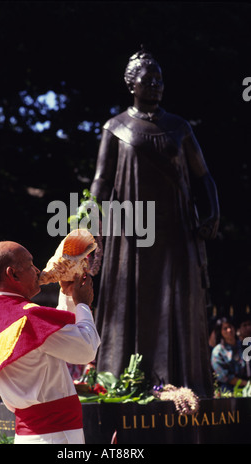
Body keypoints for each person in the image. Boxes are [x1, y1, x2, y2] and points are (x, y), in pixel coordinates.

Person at [90, 47, 220, 397]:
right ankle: (127, 382)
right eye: (148, 80)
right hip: (131, 232)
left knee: (177, 298)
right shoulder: (115, 127)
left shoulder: (179, 127)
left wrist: (213, 211)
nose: (156, 86)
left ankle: (183, 380)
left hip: (177, 230)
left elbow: (203, 176)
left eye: (160, 80)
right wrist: (90, 222)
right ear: (130, 84)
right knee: (129, 299)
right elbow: (101, 181)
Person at [0, 241, 100, 444]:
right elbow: (86, 350)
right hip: (58, 435)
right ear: (13, 274)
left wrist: (68, 296)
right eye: (30, 264)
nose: (37, 270)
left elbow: (52, 340)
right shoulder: (29, 317)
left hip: (29, 435)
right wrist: (83, 304)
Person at [211, 317, 247, 392]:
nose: (229, 330)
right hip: (229, 392)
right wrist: (246, 383)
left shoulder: (245, 346)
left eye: (230, 327)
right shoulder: (218, 352)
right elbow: (224, 377)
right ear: (220, 332)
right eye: (225, 328)